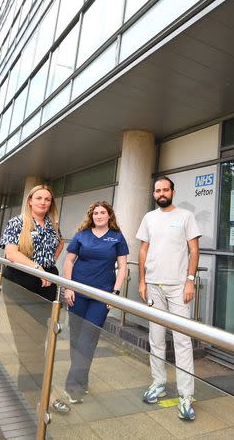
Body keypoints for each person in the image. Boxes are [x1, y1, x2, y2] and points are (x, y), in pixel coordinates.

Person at [137, 176, 201, 421]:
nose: (161, 193)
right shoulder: (149, 218)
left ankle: (186, 395)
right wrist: (142, 281)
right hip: (153, 285)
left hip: (178, 287)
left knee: (182, 340)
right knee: (156, 338)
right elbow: (143, 249)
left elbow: (194, 250)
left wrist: (190, 280)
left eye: (165, 189)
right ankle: (159, 383)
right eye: (157, 190)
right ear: (154, 194)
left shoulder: (185, 216)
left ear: (173, 191)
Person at [61, 201, 128, 404]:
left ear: (109, 216)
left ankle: (73, 388)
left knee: (87, 339)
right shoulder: (82, 235)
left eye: (103, 212)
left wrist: (115, 293)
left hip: (101, 297)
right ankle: (82, 380)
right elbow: (69, 261)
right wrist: (69, 287)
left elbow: (123, 267)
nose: (99, 215)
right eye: (96, 213)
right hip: (78, 293)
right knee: (75, 339)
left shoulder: (117, 237)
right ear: (92, 216)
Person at [0, 184, 64, 303]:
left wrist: (51, 260)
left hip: (47, 279)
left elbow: (61, 242)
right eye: (38, 198)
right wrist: (37, 268)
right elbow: (11, 253)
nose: (43, 202)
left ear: (51, 203)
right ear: (30, 201)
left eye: (47, 199)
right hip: (20, 276)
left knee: (43, 320)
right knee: (21, 320)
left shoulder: (53, 225)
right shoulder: (17, 222)